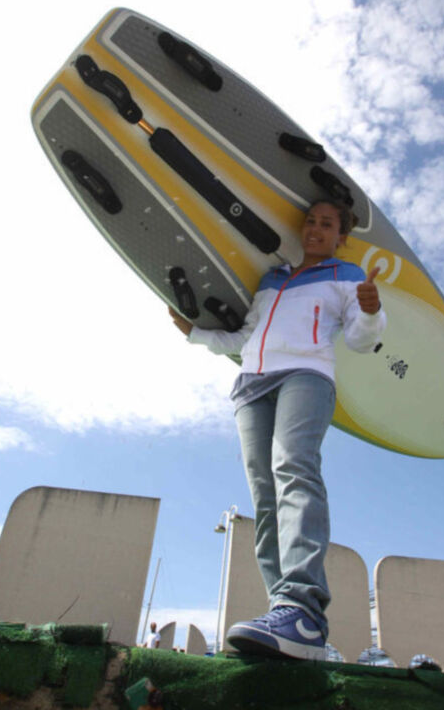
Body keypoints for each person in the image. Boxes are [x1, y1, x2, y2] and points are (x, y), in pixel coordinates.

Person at [169, 200, 386, 660]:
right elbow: (245, 337)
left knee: (294, 467)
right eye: (311, 221)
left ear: (340, 235)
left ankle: (304, 609)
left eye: (326, 224)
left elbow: (360, 341)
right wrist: (194, 333)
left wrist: (370, 312)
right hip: (251, 386)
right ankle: (282, 613)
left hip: (306, 376)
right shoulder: (271, 278)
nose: (315, 228)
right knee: (264, 496)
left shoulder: (345, 275)